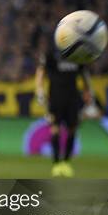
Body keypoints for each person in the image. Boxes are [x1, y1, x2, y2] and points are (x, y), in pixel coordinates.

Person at [35, 41, 93, 178]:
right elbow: (41, 71)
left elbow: (84, 74)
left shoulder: (77, 55)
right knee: (55, 129)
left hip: (73, 99)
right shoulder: (51, 55)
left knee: (72, 129)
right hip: (55, 98)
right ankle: (56, 164)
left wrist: (88, 91)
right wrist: (39, 90)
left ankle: (66, 163)